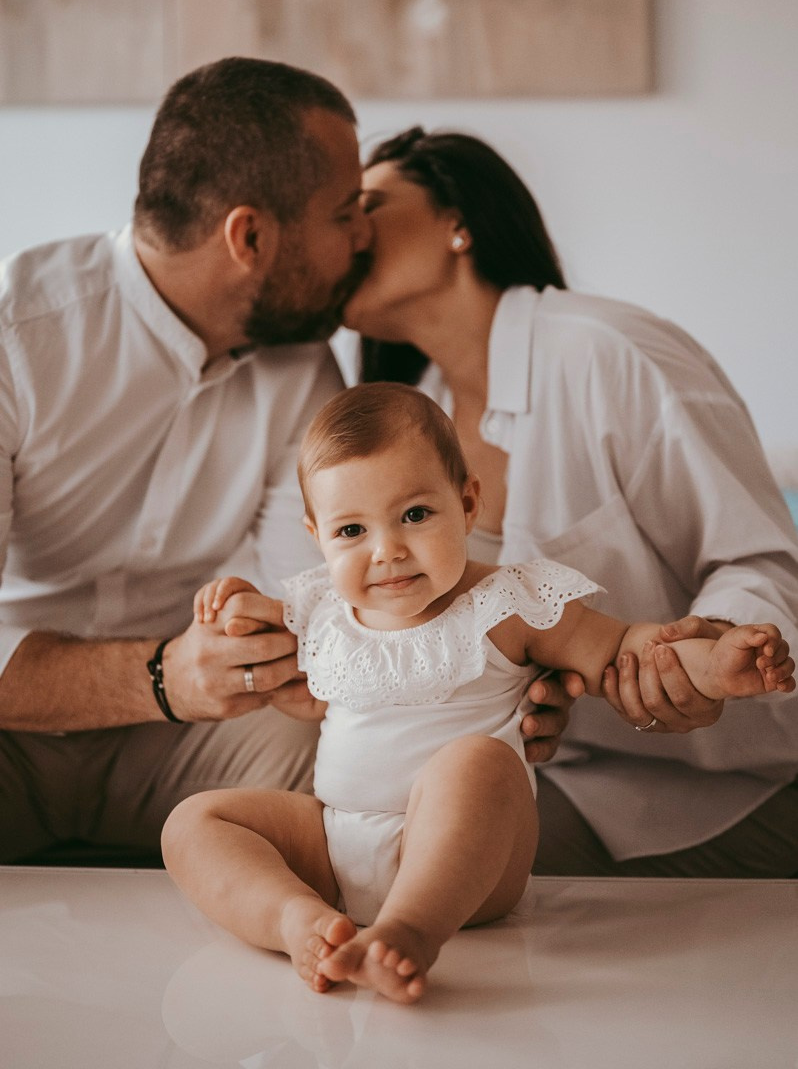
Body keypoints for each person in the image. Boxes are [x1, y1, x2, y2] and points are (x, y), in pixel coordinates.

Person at [161, 383, 793, 1004]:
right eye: (351, 530)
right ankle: (299, 921)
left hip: (466, 858)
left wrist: (712, 666)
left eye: (414, 515)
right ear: (315, 534)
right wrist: (235, 604)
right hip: (333, 838)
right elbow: (255, 634)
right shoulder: (320, 609)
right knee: (195, 821)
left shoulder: (505, 602)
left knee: (476, 761)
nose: (387, 551)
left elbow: (626, 650)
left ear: (466, 504)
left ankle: (409, 931)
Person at [336, 126, 798, 877]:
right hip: (556, 780)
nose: (348, 230)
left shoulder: (608, 353)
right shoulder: (409, 427)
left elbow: (764, 561)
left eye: (371, 204)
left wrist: (710, 653)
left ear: (459, 222)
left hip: (738, 785)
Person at [0, 56, 375, 863]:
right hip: (13, 723)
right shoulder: (17, 338)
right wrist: (162, 675)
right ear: (250, 236)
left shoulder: (304, 367)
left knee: (357, 780)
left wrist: (274, 646)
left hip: (193, 736)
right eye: (345, 213)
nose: (366, 236)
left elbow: (307, 599)